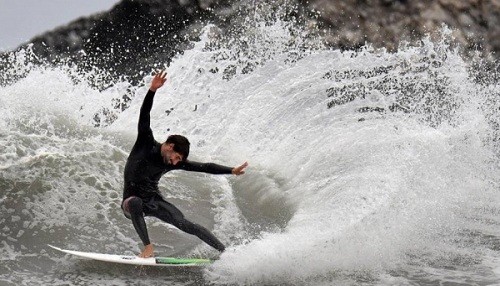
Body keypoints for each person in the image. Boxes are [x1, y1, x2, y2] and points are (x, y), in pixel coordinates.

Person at [122, 70, 248, 258]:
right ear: (170, 146)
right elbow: (145, 114)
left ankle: (227, 254)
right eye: (177, 157)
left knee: (185, 223)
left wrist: (231, 170)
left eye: (179, 161)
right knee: (136, 202)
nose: (176, 162)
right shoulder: (145, 143)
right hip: (130, 201)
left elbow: (204, 167)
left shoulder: (172, 163)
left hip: (154, 201)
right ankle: (147, 247)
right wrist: (152, 91)